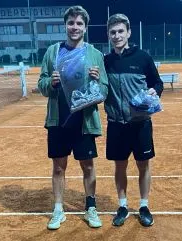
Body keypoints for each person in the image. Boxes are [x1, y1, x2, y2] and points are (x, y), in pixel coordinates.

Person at [37, 5, 108, 230]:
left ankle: (90, 207)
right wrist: (51, 83)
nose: (74, 27)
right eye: (71, 23)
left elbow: (104, 90)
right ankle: (58, 209)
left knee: (87, 165)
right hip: (59, 119)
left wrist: (97, 82)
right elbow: (41, 84)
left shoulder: (95, 54)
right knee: (59, 167)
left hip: (83, 121)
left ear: (85, 28)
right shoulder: (52, 52)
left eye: (79, 23)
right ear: (65, 25)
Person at [104, 13, 163, 227]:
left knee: (143, 165)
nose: (117, 35)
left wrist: (154, 92)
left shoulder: (143, 57)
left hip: (140, 124)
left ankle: (144, 205)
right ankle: (122, 205)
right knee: (120, 166)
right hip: (116, 124)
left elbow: (157, 83)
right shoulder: (106, 61)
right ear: (109, 35)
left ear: (128, 32)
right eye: (113, 32)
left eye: (121, 31)